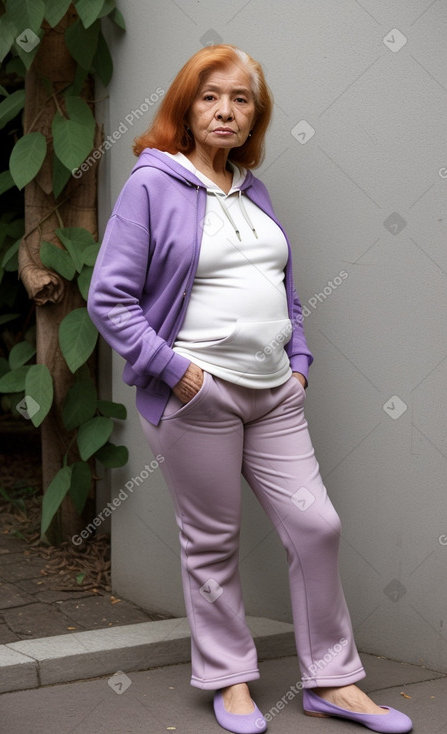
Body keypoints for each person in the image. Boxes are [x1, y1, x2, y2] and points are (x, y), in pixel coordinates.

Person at [88, 44, 412, 734]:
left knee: (315, 526)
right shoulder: (151, 185)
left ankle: (333, 681)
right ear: (185, 104)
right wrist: (174, 371)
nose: (226, 111)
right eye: (210, 96)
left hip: (274, 394)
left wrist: (297, 361)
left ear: (254, 114)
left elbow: (282, 289)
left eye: (240, 99)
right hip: (196, 397)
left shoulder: (251, 188)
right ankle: (230, 680)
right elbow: (109, 300)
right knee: (211, 541)